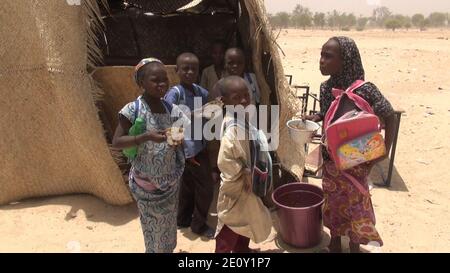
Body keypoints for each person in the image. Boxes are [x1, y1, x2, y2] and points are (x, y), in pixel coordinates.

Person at [304, 37, 397, 253]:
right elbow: (330, 112)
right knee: (333, 202)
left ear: (345, 60)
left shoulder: (366, 90)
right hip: (330, 160)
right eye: (321, 55)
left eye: (328, 56)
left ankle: (354, 245)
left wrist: (384, 152)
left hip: (356, 162)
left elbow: (390, 116)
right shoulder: (327, 88)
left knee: (356, 206)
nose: (322, 61)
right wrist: (317, 116)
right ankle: (335, 241)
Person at [112, 58, 187, 253]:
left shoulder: (171, 109)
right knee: (153, 232)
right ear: (141, 83)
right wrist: (145, 137)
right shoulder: (133, 110)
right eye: (155, 80)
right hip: (147, 187)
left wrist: (176, 138)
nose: (162, 84)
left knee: (169, 229)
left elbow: (179, 138)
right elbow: (117, 142)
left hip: (170, 183)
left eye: (165, 79)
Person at [214, 76, 272, 253]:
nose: (244, 100)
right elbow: (224, 160)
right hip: (237, 186)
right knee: (230, 222)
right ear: (224, 101)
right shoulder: (232, 128)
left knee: (247, 218)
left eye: (246, 95)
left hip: (247, 183)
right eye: (236, 98)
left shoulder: (241, 117)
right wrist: (244, 171)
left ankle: (242, 250)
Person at [165, 52, 216, 239]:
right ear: (177, 70)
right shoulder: (175, 93)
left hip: (196, 147)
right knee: (206, 188)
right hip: (188, 150)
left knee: (187, 186)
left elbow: (212, 101)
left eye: (194, 69)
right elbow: (167, 115)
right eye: (185, 68)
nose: (189, 72)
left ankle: (183, 218)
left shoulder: (198, 90)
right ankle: (199, 225)